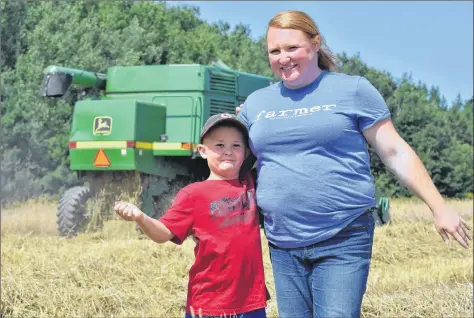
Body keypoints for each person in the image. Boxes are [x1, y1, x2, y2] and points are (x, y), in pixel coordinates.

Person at [237, 10, 472, 318]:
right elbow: (232, 163)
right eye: (275, 51)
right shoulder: (256, 104)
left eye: (292, 48)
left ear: (315, 43)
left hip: (343, 234)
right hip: (283, 242)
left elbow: (395, 152)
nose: (283, 57)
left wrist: (439, 207)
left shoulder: (353, 90)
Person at [114, 113, 269, 318]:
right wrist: (140, 217)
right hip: (209, 304)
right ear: (202, 151)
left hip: (251, 303)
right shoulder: (193, 194)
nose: (228, 152)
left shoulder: (249, 183)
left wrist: (247, 114)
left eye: (236, 146)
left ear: (246, 152)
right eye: (219, 145)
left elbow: (267, 143)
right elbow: (163, 234)